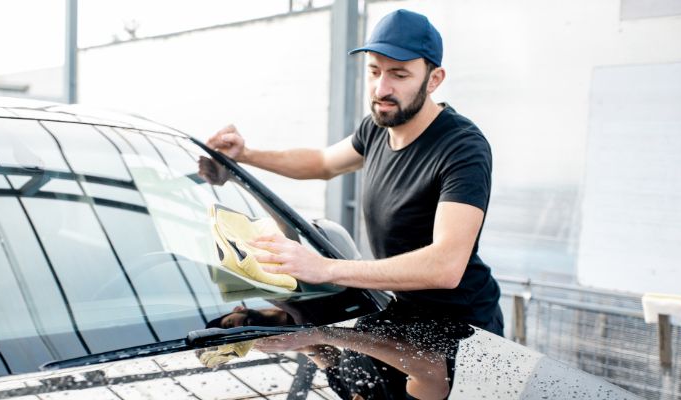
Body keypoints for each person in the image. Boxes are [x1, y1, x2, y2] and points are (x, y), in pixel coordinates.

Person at [205, 9, 503, 336]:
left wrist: (324, 269)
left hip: (465, 327)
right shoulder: (377, 128)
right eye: (374, 71)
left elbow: (446, 266)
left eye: (399, 75)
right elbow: (322, 162)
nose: (380, 89)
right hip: (405, 314)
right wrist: (245, 155)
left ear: (434, 79)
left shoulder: (462, 148)